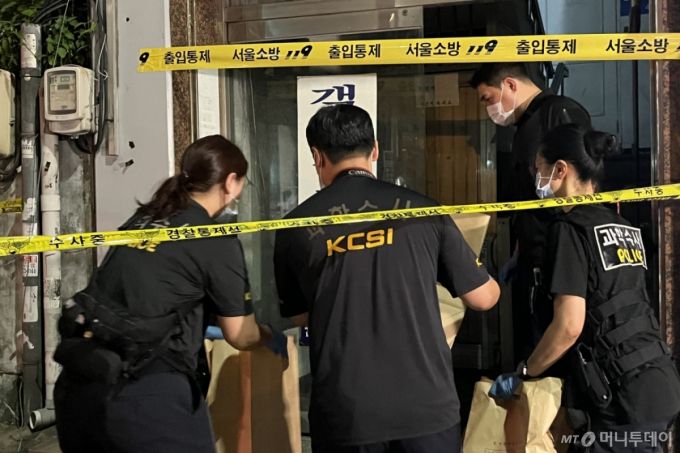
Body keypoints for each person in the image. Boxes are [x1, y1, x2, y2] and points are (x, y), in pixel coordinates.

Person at [273, 104, 500, 453]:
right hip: (426, 408)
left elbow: (302, 315)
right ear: (375, 149)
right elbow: (483, 297)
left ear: (317, 156)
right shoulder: (424, 211)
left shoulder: (294, 227)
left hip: (347, 413)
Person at [54, 135, 287, 453]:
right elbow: (239, 334)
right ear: (231, 182)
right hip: (145, 398)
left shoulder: (143, 219)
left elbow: (152, 292)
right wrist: (268, 336)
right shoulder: (214, 238)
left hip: (80, 386)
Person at [490, 125, 680, 452]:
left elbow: (569, 326)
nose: (536, 179)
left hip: (619, 399)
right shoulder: (623, 226)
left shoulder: (569, 230)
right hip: (657, 381)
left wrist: (525, 372)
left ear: (560, 170)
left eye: (539, 169)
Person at [471, 63, 592, 359]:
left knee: (560, 349)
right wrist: (519, 251)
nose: (489, 109)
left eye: (488, 99)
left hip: (561, 259)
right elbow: (528, 197)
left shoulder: (558, 113)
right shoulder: (525, 128)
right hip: (536, 259)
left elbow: (582, 188)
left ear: (510, 85)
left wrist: (570, 249)